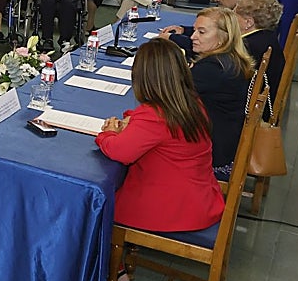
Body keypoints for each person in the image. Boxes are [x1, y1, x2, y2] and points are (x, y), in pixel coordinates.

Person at [95, 39, 224, 233]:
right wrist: (131, 120)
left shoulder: (155, 115)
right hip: (201, 198)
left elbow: (119, 152)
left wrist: (108, 134)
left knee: (95, 208)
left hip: (171, 208)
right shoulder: (189, 101)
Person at [189, 6, 254, 177]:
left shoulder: (212, 68)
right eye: (195, 30)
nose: (192, 37)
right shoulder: (230, 59)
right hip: (227, 143)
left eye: (201, 32)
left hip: (214, 156)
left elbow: (168, 94)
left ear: (222, 37)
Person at [233, 0, 285, 120]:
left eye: (235, 11)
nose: (231, 14)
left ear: (248, 22)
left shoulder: (247, 47)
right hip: (260, 107)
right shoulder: (267, 39)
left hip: (247, 114)